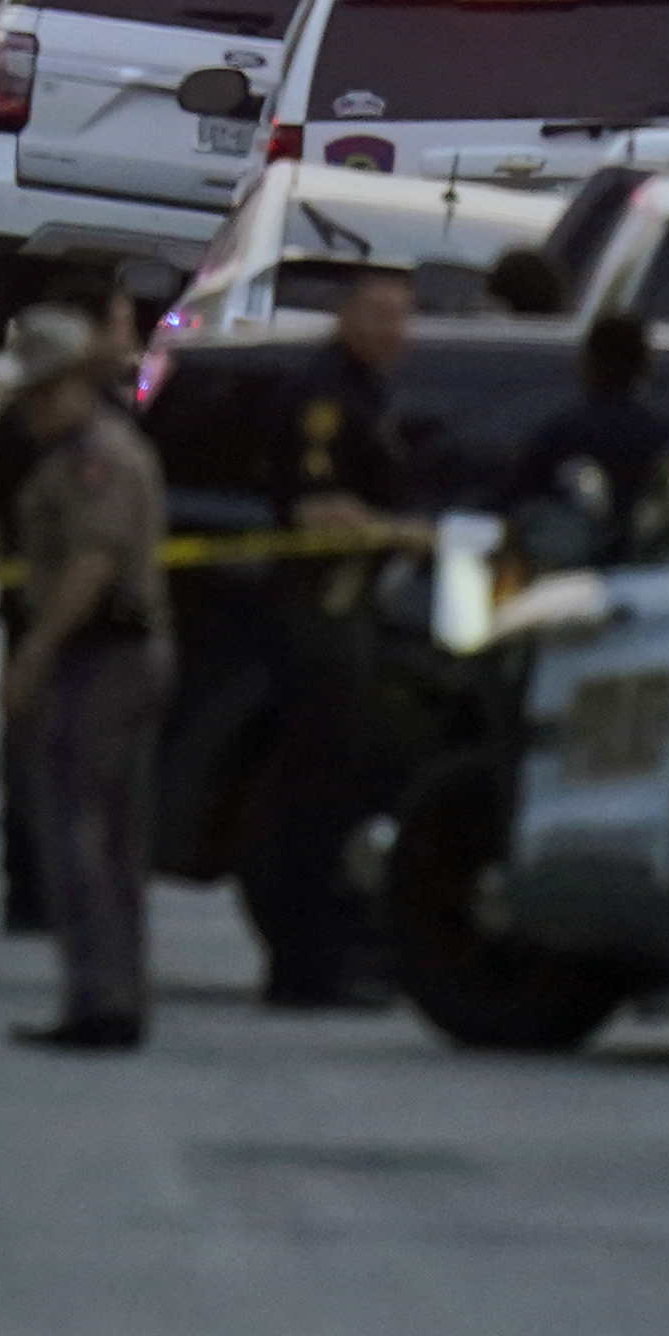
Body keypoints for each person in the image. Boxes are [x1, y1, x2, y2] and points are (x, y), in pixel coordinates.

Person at [0, 304, 174, 1052]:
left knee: (78, 832)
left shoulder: (91, 459)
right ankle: (112, 991)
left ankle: (100, 994)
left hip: (101, 660)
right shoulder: (89, 450)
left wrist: (35, 650)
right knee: (113, 835)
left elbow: (92, 562)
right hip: (117, 656)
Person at [242, 265, 414, 1010]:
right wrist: (414, 534)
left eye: (399, 318)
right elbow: (316, 512)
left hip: (346, 614)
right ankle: (302, 969)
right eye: (375, 314)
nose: (388, 331)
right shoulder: (325, 397)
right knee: (311, 801)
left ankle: (312, 961)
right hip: (319, 616)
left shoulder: (365, 392)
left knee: (330, 795)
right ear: (344, 314)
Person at [0, 269, 147, 935]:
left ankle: (54, 894)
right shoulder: (62, 422)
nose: (130, 333)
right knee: (40, 759)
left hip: (83, 620)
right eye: (122, 318)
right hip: (54, 611)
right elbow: (4, 514)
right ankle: (37, 890)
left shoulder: (103, 416)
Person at [507, 312, 669, 544]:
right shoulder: (666, 437)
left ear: (587, 362)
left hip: (569, 566)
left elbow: (516, 497)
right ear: (645, 365)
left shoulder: (563, 433)